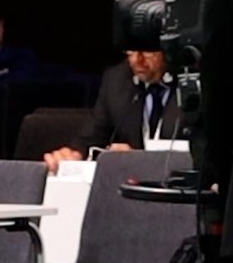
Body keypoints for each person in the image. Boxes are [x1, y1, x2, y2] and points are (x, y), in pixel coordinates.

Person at [43, 47, 183, 173]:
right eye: (131, 50)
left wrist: (141, 161)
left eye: (146, 51)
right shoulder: (116, 80)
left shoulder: (192, 83)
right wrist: (73, 155)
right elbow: (92, 139)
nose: (136, 60)